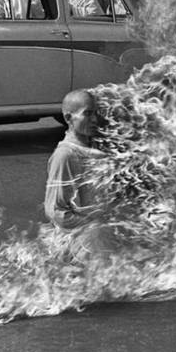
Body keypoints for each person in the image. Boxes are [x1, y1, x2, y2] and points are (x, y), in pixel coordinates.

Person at [44, 90, 115, 257]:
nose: (95, 120)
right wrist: (93, 227)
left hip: (100, 240)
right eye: (87, 114)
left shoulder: (94, 147)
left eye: (96, 113)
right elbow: (56, 211)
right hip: (82, 246)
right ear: (69, 118)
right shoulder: (66, 155)